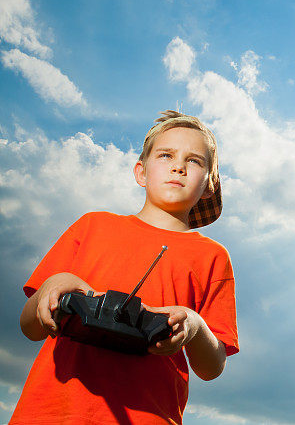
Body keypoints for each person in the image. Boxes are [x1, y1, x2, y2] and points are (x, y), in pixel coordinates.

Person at [10, 110, 238, 424]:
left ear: (210, 184)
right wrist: (53, 286)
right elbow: (29, 327)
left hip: (150, 416)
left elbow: (212, 367)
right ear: (141, 172)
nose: (178, 166)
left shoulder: (213, 256)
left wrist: (195, 326)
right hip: (51, 412)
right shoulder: (92, 226)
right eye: (166, 155)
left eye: (195, 161)